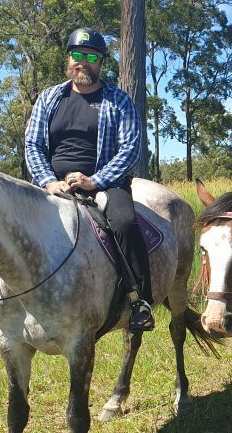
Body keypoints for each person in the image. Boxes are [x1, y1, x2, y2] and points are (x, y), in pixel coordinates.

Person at [25, 27, 154, 333]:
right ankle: (5, 307)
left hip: (105, 184)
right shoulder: (49, 98)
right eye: (77, 55)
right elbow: (33, 144)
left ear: (101, 63)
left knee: (125, 223)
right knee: (14, 222)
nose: (83, 62)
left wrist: (94, 180)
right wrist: (47, 181)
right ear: (68, 59)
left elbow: (130, 149)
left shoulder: (118, 101)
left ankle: (140, 301)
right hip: (52, 184)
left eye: (91, 57)